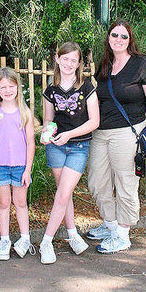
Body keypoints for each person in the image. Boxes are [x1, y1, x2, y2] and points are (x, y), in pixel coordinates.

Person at [87, 19, 146, 253]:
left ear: (130, 40)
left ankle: (122, 235)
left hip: (128, 132)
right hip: (101, 133)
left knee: (125, 182)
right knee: (97, 182)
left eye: (123, 36)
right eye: (114, 35)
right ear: (108, 38)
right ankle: (110, 225)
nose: (118, 39)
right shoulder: (105, 65)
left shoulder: (142, 65)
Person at [39, 41, 100, 264]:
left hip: (78, 147)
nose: (68, 63)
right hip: (56, 146)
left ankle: (46, 241)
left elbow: (94, 121)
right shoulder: (51, 90)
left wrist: (69, 135)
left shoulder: (86, 87)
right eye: (65, 59)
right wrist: (46, 133)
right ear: (57, 59)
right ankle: (73, 234)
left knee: (64, 194)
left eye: (74, 60)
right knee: (63, 194)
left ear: (79, 63)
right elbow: (48, 120)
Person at [0, 67, 35, 261]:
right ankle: (4, 240)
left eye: (11, 86)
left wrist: (28, 170)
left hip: (20, 166)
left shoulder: (25, 112)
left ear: (18, 87)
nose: (8, 90)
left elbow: (30, 142)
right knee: (3, 203)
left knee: (20, 203)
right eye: (3, 87)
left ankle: (25, 238)